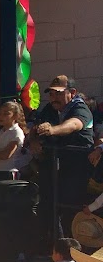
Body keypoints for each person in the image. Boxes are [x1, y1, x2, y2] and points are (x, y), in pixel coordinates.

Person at [36, 75, 95, 237]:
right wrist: (34, 140)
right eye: (51, 94)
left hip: (76, 168)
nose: (54, 98)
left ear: (72, 92)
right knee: (48, 205)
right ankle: (52, 248)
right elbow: (35, 126)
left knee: (70, 208)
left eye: (59, 93)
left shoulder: (81, 109)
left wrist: (53, 130)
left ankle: (72, 251)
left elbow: (74, 124)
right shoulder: (50, 109)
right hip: (54, 166)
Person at [0, 101, 28, 182]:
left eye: (6, 114)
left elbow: (6, 155)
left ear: (15, 116)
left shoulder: (16, 132)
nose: (1, 116)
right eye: (0, 113)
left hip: (10, 172)